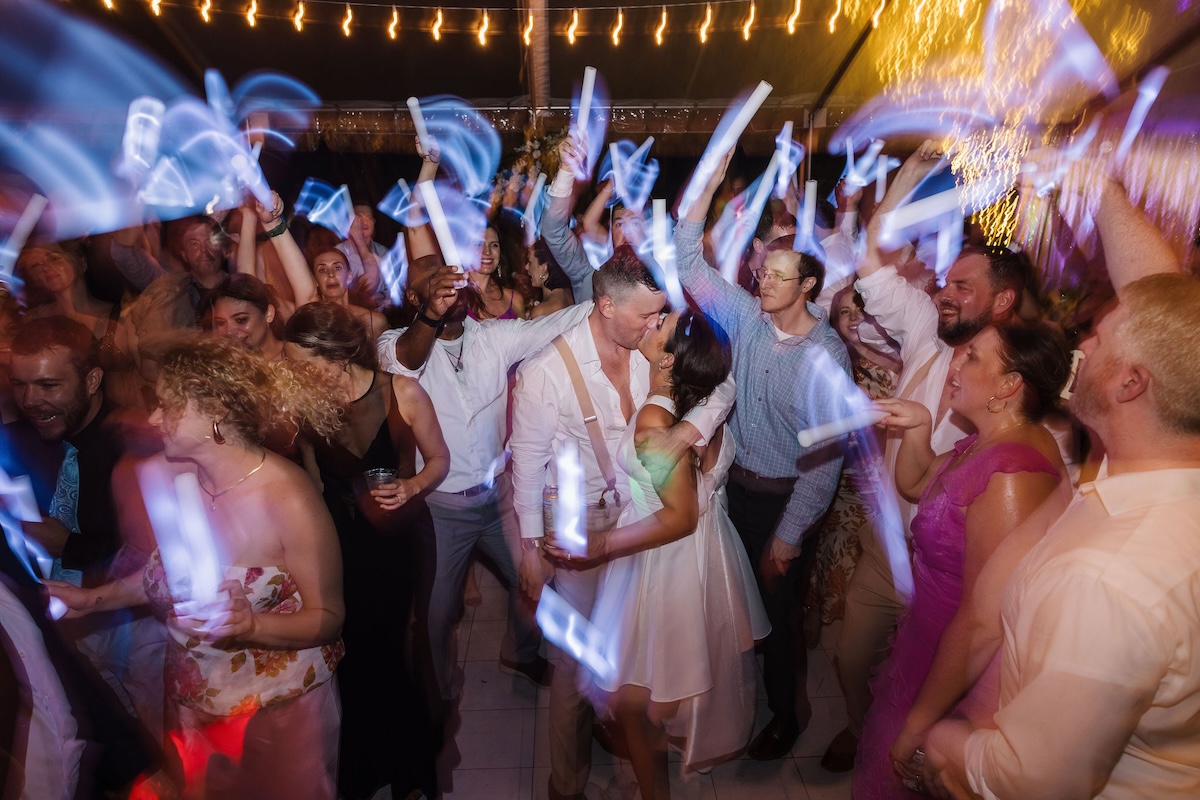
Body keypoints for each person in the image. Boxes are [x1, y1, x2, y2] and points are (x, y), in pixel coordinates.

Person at [921, 179, 1196, 800]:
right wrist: (1096, 180)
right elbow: (1166, 315)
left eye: (1098, 335)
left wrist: (947, 742)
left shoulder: (1110, 578)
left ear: (1130, 385)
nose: (1082, 339)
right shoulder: (1150, 459)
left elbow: (1033, 777)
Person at [48, 335, 347, 798]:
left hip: (275, 715)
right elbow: (163, 577)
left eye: (167, 406)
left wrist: (251, 624)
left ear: (216, 411)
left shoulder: (286, 497)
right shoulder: (176, 478)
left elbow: (328, 618)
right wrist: (92, 599)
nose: (152, 418)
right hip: (194, 705)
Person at [820, 140, 1037, 771]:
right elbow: (873, 261)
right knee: (851, 656)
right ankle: (866, 732)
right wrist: (913, 169)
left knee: (940, 686)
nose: (945, 292)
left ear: (1002, 303)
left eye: (963, 287)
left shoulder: (1016, 388)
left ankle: (914, 758)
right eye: (945, 281)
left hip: (956, 571)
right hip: (888, 551)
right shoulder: (924, 332)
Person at [511, 248, 732, 800]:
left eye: (661, 315)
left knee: (631, 651)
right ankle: (567, 783)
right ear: (606, 306)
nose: (659, 324)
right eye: (647, 316)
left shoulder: (651, 349)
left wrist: (686, 433)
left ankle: (628, 734)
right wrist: (530, 550)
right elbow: (526, 466)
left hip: (643, 521)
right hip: (581, 524)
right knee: (574, 665)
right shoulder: (545, 374)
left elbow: (721, 384)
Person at [545, 303, 767, 799]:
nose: (654, 318)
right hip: (702, 556)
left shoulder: (653, 423)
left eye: (661, 323)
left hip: (663, 561)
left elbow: (680, 516)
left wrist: (602, 542)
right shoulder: (703, 399)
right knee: (664, 685)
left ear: (667, 360)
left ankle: (653, 792)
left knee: (632, 702)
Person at [674, 149, 852, 761]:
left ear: (808, 286)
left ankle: (787, 714)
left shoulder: (825, 357)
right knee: (737, 602)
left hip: (784, 501)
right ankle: (738, 699)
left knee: (778, 615)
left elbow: (826, 457)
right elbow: (687, 263)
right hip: (736, 491)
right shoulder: (749, 319)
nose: (763, 282)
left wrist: (791, 534)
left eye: (779, 277)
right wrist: (708, 185)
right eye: (763, 272)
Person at [854, 321, 1071, 799]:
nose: (954, 364)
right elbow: (918, 485)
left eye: (971, 357)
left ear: (1009, 385)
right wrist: (918, 429)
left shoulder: (1012, 474)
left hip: (956, 669)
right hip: (927, 639)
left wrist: (918, 724)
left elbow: (984, 621)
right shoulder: (986, 440)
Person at [283, 301, 446, 800]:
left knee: (398, 650)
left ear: (334, 353)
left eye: (300, 362)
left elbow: (440, 460)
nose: (292, 371)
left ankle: (412, 771)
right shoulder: (305, 402)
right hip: (341, 546)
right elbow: (312, 481)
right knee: (351, 655)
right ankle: (364, 766)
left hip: (399, 541)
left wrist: (413, 485)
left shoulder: (401, 391)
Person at [805, 288, 901, 655]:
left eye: (861, 308)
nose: (855, 317)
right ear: (835, 324)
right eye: (844, 312)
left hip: (890, 478)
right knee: (834, 537)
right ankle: (817, 608)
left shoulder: (904, 362)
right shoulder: (837, 368)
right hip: (847, 477)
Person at [17, 242, 143, 409]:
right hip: (62, 423)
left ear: (82, 262)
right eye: (36, 266)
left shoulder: (121, 318)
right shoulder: (32, 321)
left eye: (54, 258)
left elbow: (149, 375)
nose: (46, 268)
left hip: (122, 422)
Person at [204, 274, 286, 361]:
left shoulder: (294, 358)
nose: (229, 331)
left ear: (269, 314)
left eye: (241, 320)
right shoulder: (221, 364)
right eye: (221, 323)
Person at [466, 223, 526, 321]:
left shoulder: (514, 300)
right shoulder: (454, 297)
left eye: (494, 245)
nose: (487, 252)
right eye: (479, 244)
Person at [525, 238, 575, 319]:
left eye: (530, 262)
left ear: (543, 268)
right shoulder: (569, 294)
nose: (526, 267)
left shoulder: (541, 312)